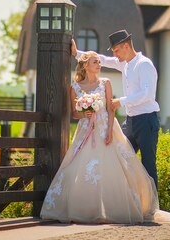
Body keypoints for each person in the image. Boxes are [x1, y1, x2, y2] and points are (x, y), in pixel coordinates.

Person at [40, 51, 159, 224]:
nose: (99, 64)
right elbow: (74, 113)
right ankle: (85, 209)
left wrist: (109, 130)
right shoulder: (75, 87)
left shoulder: (106, 83)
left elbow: (111, 109)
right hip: (85, 131)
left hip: (105, 128)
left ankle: (117, 209)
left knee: (115, 168)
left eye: (99, 61)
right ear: (86, 65)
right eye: (95, 62)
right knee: (79, 167)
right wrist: (85, 114)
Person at [72, 29, 160, 188]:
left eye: (117, 50)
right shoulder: (124, 64)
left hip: (146, 121)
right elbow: (103, 60)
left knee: (148, 165)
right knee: (122, 161)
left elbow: (147, 94)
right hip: (131, 122)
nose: (115, 55)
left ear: (126, 46)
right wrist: (76, 53)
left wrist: (121, 101)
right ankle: (133, 202)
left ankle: (152, 207)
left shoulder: (144, 64)